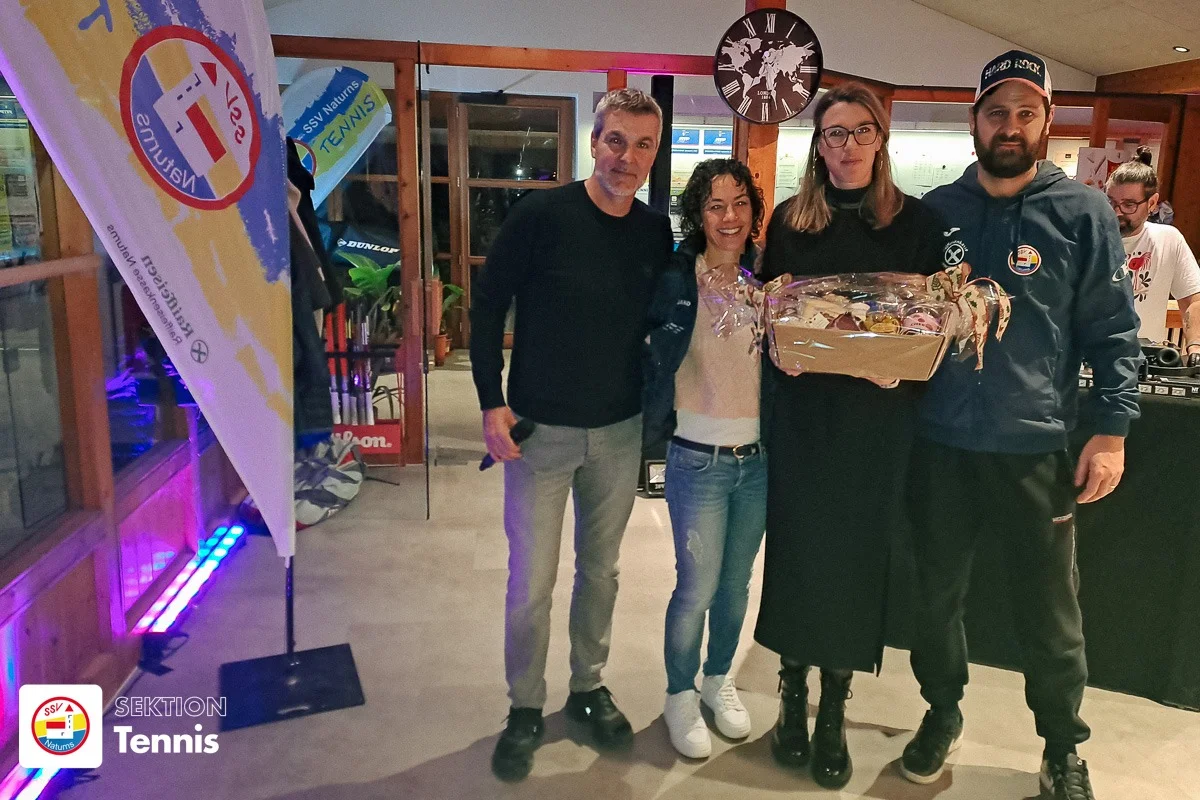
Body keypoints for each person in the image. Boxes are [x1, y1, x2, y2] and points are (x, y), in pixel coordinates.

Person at [900, 51, 1142, 800]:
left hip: (1036, 448)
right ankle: (941, 711)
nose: (1011, 126)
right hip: (941, 441)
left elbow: (1113, 330)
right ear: (974, 121)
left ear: (1047, 122)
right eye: (997, 112)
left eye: (1026, 113)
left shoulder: (1083, 213)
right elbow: (906, 321)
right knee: (934, 599)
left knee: (1049, 612)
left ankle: (1062, 747)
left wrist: (1112, 429)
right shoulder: (934, 212)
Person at [470, 88, 674, 782]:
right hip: (540, 436)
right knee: (531, 582)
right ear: (593, 142)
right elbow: (487, 306)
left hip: (618, 432)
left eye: (643, 145)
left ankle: (587, 687)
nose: (627, 158)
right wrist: (490, 403)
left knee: (602, 572)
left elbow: (663, 325)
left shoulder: (654, 232)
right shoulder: (542, 216)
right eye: (616, 140)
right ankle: (525, 705)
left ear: (653, 153)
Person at [751, 83, 946, 790]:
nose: (848, 145)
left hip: (877, 423)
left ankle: (834, 705)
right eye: (834, 133)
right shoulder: (790, 222)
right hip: (806, 419)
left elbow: (931, 322)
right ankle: (791, 693)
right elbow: (770, 316)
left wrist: (906, 363)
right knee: (799, 555)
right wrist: (781, 345)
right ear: (818, 146)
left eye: (862, 130)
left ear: (881, 140)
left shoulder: (918, 223)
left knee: (857, 561)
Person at [642, 159, 767, 759]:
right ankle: (679, 693)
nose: (729, 217)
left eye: (739, 203)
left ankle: (719, 679)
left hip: (758, 461)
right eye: (715, 205)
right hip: (696, 459)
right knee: (696, 587)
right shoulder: (675, 278)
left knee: (736, 586)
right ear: (698, 214)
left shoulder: (768, 281)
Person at [1105, 147, 1200, 355]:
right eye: (1110, 201)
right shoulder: (1087, 237)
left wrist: (1195, 347)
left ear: (1152, 203)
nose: (1116, 212)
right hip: (1090, 358)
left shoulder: (1168, 239)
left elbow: (1193, 301)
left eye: (1129, 205)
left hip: (1145, 359)